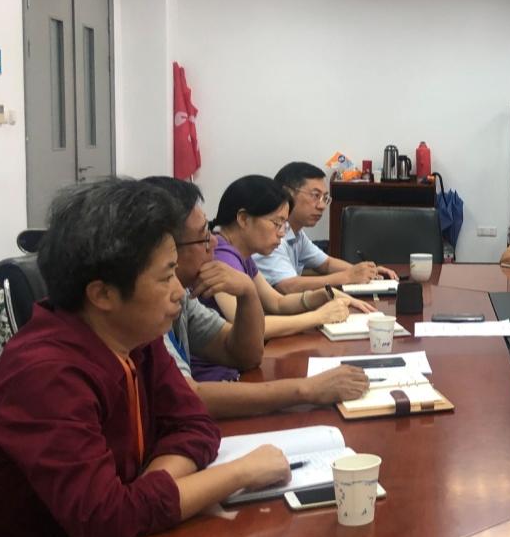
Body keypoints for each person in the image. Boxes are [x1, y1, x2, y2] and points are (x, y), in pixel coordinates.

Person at [0, 179, 290, 537]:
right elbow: (107, 519)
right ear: (103, 294)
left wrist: (135, 509)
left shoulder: (134, 337)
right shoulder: (44, 373)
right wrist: (242, 472)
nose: (180, 291)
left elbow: (194, 426)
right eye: (166, 276)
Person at [145, 177, 368, 417]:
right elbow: (187, 397)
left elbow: (248, 354)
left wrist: (249, 293)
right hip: (214, 389)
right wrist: (307, 388)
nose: (213, 241)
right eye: (203, 236)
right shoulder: (216, 261)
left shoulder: (184, 295)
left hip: (224, 386)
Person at [207, 175, 373, 347]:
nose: (281, 233)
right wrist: (319, 316)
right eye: (277, 223)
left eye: (284, 225)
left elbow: (277, 303)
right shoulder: (222, 257)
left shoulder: (242, 255)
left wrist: (317, 296)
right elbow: (247, 328)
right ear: (243, 219)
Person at [255, 162, 398, 294]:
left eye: (325, 198)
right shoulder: (270, 236)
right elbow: (288, 286)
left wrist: (367, 271)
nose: (322, 206)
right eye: (315, 195)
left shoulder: (296, 233)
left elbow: (326, 264)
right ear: (287, 194)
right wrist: (348, 276)